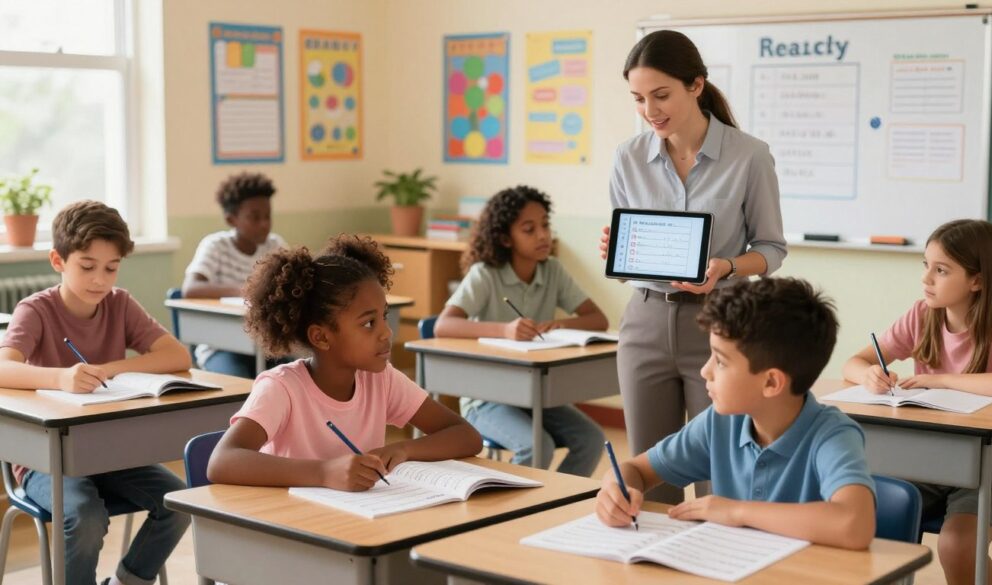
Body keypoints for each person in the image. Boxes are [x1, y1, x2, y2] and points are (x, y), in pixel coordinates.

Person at [599, 29, 787, 503]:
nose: (649, 111)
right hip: (643, 321)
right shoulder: (627, 157)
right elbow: (629, 255)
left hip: (720, 325)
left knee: (722, 469)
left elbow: (772, 249)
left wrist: (725, 266)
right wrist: (618, 250)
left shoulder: (749, 155)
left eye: (661, 95)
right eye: (638, 98)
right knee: (649, 469)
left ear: (696, 86)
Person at [597, 278, 876, 550]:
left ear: (771, 382)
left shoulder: (832, 434)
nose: (705, 371)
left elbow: (855, 524)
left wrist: (737, 512)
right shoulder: (720, 423)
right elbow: (635, 470)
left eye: (720, 361)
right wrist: (615, 491)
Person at [0, 200, 191, 585]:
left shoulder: (119, 304)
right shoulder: (34, 310)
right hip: (45, 459)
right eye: (87, 266)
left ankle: (125, 582)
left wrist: (112, 369)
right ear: (58, 260)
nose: (100, 280)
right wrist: (59, 379)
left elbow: (177, 354)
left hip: (109, 450)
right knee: (85, 517)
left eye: (111, 268)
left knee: (180, 503)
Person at [207, 234, 482, 489]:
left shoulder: (381, 379)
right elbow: (222, 461)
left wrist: (404, 449)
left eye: (384, 317)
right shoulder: (282, 388)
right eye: (369, 323)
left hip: (357, 525)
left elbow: (466, 435)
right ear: (321, 337)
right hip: (292, 527)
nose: (387, 332)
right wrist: (324, 473)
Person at [843, 219, 992, 584]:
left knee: (958, 545)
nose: (926, 279)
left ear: (978, 280)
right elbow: (854, 362)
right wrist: (868, 375)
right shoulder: (923, 315)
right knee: (863, 517)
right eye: (925, 266)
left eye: (941, 270)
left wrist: (938, 379)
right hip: (928, 461)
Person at [435, 185, 607, 476]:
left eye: (545, 225)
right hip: (485, 398)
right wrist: (504, 330)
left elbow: (597, 319)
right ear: (505, 238)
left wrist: (559, 324)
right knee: (538, 446)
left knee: (591, 439)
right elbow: (443, 325)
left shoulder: (552, 270)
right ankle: (513, 511)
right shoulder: (485, 274)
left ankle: (554, 502)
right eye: (529, 229)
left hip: (534, 396)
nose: (542, 235)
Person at [182, 171, 288, 378]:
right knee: (238, 388)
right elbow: (191, 289)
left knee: (295, 377)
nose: (264, 224)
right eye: (254, 217)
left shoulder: (275, 245)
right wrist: (248, 291)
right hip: (220, 346)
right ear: (232, 219)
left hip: (267, 345)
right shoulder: (216, 246)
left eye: (267, 216)